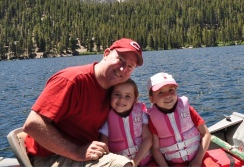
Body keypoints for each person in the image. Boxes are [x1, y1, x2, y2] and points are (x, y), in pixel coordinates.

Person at [23, 38, 144, 167]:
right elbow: (32, 125)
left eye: (130, 66)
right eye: (120, 60)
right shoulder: (72, 80)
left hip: (89, 151)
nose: (122, 69)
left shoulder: (114, 90)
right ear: (106, 54)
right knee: (122, 165)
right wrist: (77, 152)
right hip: (51, 157)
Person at [147, 72, 211, 167]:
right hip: (174, 164)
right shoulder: (152, 119)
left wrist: (198, 159)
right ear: (152, 99)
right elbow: (155, 148)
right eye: (160, 92)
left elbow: (206, 134)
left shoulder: (188, 109)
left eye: (171, 90)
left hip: (198, 157)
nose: (167, 95)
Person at [99, 79, 152, 166]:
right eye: (117, 94)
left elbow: (148, 139)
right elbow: (104, 147)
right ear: (110, 96)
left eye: (127, 96)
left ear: (135, 100)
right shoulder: (107, 119)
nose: (121, 99)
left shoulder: (141, 114)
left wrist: (134, 162)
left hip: (145, 161)